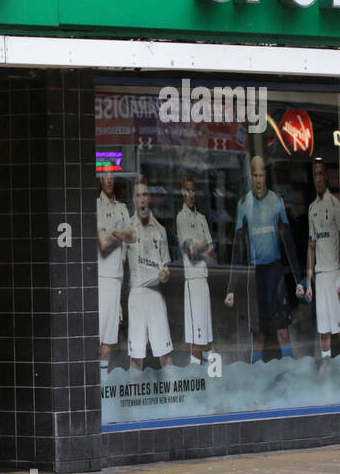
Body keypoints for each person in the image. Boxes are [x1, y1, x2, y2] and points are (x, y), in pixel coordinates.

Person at [224, 155, 304, 361]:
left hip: (275, 272)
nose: (258, 180)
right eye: (255, 176)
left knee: (282, 330)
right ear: (251, 177)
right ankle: (256, 379)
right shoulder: (244, 204)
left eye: (261, 175)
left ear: (265, 176)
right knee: (257, 333)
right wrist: (231, 289)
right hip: (255, 273)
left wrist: (299, 279)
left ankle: (290, 373)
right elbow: (238, 248)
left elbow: (288, 243)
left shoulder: (277, 202)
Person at [125, 177, 174, 370]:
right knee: (136, 359)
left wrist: (165, 274)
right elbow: (120, 268)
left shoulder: (160, 230)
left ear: (149, 197)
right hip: (136, 295)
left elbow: (166, 269)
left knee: (166, 356)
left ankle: (174, 400)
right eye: (138, 195)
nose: (142, 199)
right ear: (134, 200)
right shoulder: (128, 229)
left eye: (145, 194)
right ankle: (135, 401)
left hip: (155, 296)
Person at [306, 159, 340, 357]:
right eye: (315, 174)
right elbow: (311, 245)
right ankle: (327, 377)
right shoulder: (311, 208)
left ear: (327, 177)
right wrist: (308, 282)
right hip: (320, 276)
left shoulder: (335, 204)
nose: (318, 178)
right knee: (323, 331)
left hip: (334, 275)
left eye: (321, 173)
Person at [176, 174, 215, 364]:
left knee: (207, 335)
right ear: (183, 192)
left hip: (203, 279)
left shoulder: (202, 218)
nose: (191, 194)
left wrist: (200, 246)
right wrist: (203, 244)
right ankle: (195, 374)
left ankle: (208, 379)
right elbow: (191, 252)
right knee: (196, 337)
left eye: (193, 190)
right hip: (191, 281)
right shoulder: (181, 218)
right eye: (187, 190)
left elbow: (212, 252)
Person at [96, 174, 133, 373]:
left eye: (112, 176)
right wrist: (121, 232)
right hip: (100, 279)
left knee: (109, 339)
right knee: (97, 336)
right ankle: (93, 382)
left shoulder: (123, 208)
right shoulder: (96, 205)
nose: (109, 180)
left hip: (115, 281)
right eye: (105, 176)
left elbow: (132, 236)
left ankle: (103, 381)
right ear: (100, 179)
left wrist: (114, 234)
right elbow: (103, 243)